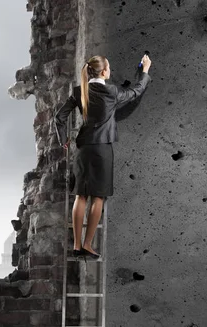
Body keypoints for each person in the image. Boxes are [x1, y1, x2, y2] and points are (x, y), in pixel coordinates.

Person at [54, 54, 152, 258]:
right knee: (97, 197)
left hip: (83, 148)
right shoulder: (112, 91)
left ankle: (76, 246)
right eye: (109, 67)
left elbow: (59, 117)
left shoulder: (79, 91)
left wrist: (63, 140)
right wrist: (144, 72)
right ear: (105, 72)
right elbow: (136, 91)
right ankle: (88, 245)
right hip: (102, 149)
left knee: (81, 195)